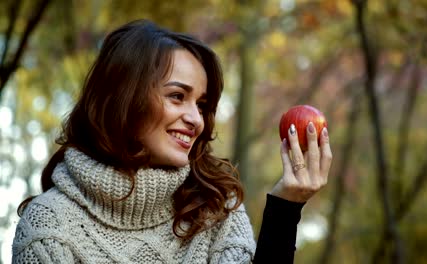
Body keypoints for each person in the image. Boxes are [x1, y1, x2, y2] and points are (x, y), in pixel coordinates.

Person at [12, 19, 332, 263]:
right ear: (124, 100)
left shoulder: (216, 210)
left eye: (202, 105)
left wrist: (285, 209)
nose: (196, 119)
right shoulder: (49, 224)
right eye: (177, 96)